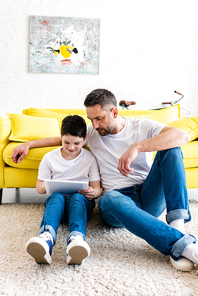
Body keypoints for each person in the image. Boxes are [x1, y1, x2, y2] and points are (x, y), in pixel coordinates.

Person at [13, 89, 198, 271]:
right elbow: (63, 139)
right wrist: (28, 144)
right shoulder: (93, 133)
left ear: (114, 112)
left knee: (172, 149)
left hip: (149, 194)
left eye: (99, 118)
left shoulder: (141, 126)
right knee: (109, 199)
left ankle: (178, 230)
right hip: (117, 202)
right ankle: (183, 246)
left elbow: (182, 136)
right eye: (90, 119)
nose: (94, 125)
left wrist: (137, 147)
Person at [25, 115, 101, 265]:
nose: (71, 148)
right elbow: (39, 188)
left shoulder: (90, 158)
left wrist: (93, 192)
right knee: (56, 196)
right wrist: (51, 185)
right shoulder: (49, 158)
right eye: (66, 142)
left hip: (80, 204)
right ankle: (46, 240)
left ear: (85, 138)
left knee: (77, 198)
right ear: (60, 136)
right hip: (58, 207)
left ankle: (76, 241)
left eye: (77, 143)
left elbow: (97, 188)